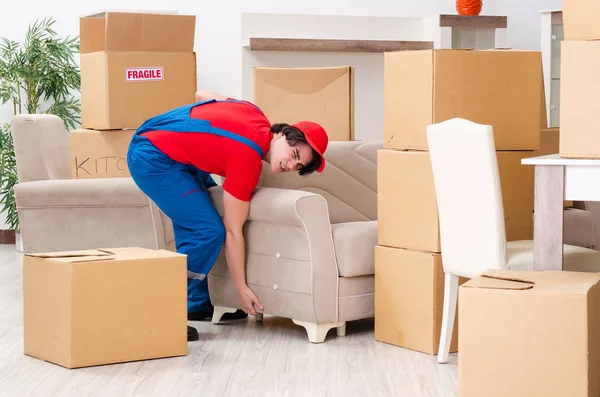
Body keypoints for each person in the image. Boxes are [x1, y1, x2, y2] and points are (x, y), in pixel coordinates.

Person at [126, 90, 329, 341]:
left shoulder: (253, 112)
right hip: (152, 157)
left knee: (203, 213)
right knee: (207, 229)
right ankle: (161, 311)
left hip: (162, 144)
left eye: (298, 166)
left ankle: (196, 303)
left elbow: (203, 96)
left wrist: (202, 138)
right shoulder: (248, 160)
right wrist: (241, 289)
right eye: (295, 154)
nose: (290, 165)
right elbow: (233, 231)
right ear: (284, 134)